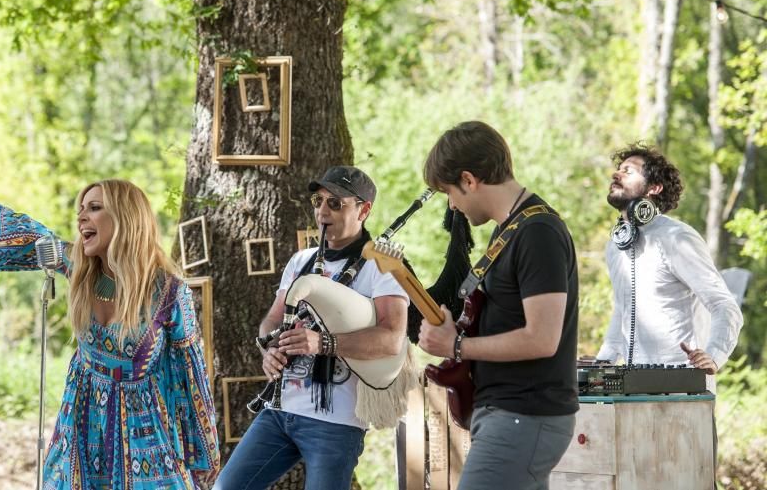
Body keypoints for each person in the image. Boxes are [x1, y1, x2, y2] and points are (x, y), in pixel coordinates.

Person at [0, 129, 220, 490]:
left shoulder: (169, 292)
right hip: (81, 423)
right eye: (80, 209)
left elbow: (192, 379)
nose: (81, 218)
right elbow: (16, 231)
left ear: (126, 218)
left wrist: (205, 459)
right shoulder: (75, 266)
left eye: (94, 208)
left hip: (145, 438)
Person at [214, 166, 408, 490]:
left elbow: (391, 340)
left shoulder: (382, 266)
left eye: (335, 203)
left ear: (364, 209)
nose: (321, 211)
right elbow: (273, 320)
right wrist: (268, 348)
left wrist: (323, 343)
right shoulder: (300, 260)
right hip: (279, 412)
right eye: (318, 201)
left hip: (336, 423)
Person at [416, 121, 578, 490]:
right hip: (511, 415)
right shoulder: (509, 231)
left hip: (524, 415)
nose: (451, 205)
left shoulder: (538, 233)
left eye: (449, 192)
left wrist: (455, 346)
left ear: (469, 180)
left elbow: (542, 338)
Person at [595, 143, 743, 376]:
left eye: (628, 171)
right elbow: (623, 311)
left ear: (654, 187)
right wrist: (602, 362)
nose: (616, 174)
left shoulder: (676, 237)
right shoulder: (616, 245)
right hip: (634, 388)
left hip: (683, 389)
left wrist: (714, 355)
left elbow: (724, 305)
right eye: (619, 169)